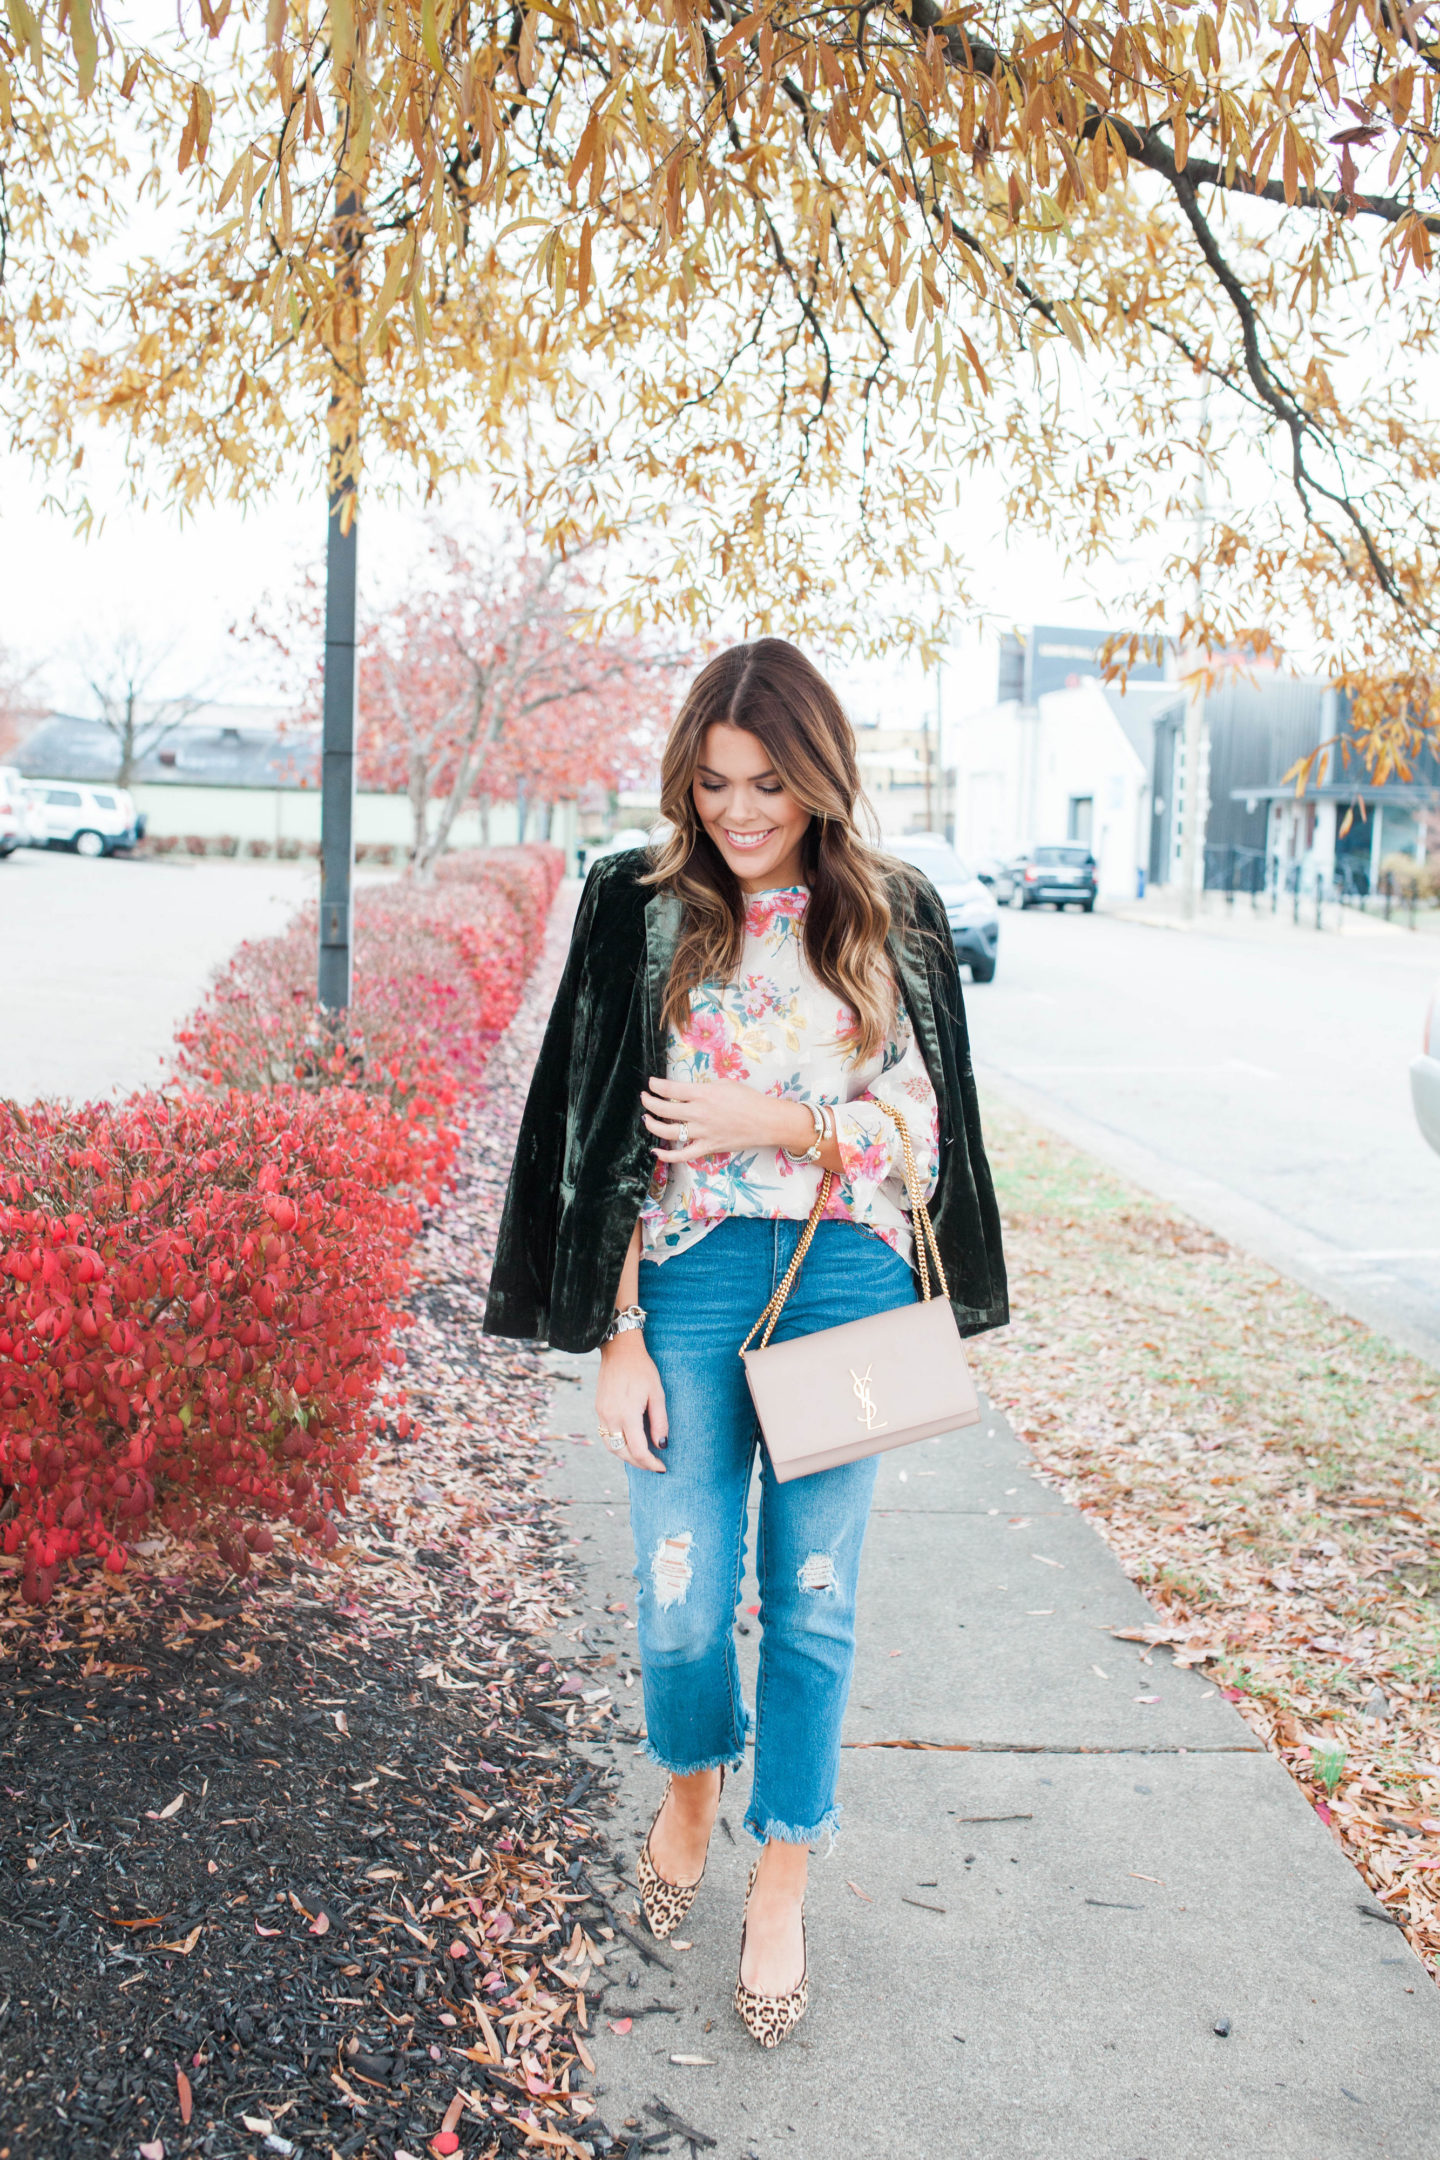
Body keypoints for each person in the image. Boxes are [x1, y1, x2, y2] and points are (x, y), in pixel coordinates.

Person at [484, 638, 1007, 2047]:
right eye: (715, 783)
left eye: (767, 783)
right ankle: (694, 1786)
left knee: (817, 1596)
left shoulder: (888, 914)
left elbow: (927, 1141)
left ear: (818, 778)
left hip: (849, 1277)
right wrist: (618, 1335)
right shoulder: (640, 905)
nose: (738, 810)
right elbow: (599, 1139)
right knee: (677, 1593)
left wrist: (776, 1122)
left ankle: (780, 1882)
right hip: (691, 1285)